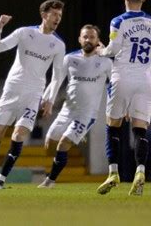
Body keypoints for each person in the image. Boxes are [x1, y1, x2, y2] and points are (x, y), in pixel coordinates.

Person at [0, 0, 66, 189]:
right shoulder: (25, 32)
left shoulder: (58, 45)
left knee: (19, 135)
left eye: (60, 15)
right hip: (12, 90)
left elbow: (57, 77)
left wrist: (49, 100)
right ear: (44, 15)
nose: (58, 18)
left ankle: (1, 179)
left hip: (33, 95)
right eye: (54, 14)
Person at [96, 0, 151, 196]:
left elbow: (113, 49)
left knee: (113, 125)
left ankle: (113, 172)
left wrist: (101, 51)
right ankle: (140, 170)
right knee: (140, 129)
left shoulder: (118, 21)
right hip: (145, 80)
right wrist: (146, 55)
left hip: (122, 77)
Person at [37, 25, 112, 188]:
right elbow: (56, 80)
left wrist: (120, 105)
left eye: (92, 37)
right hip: (67, 110)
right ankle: (79, 134)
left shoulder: (105, 62)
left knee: (64, 143)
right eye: (85, 37)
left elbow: (115, 83)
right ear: (79, 39)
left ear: (98, 40)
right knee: (49, 142)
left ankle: (50, 181)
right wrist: (47, 100)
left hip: (87, 114)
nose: (88, 40)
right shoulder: (70, 59)